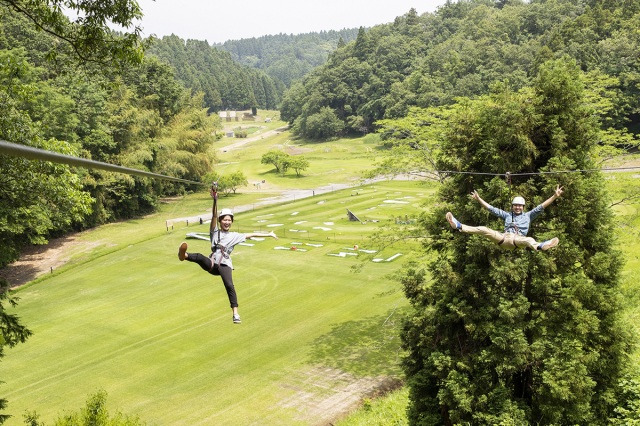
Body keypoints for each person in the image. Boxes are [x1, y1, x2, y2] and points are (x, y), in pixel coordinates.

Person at [178, 185, 278, 324]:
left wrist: (268, 234)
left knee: (229, 285)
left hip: (225, 263)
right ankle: (184, 255)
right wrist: (215, 199)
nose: (227, 222)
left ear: (231, 221)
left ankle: (235, 314)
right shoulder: (214, 232)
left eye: (229, 220)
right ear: (220, 221)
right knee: (200, 257)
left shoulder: (235, 236)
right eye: (224, 219)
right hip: (213, 262)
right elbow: (213, 215)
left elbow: (251, 234)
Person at [445, 185, 564, 251]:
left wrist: (554, 196)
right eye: (515, 206)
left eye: (520, 206)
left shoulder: (528, 216)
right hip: (503, 238)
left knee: (529, 240)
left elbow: (541, 206)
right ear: (512, 207)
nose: (517, 208)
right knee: (484, 229)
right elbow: (491, 208)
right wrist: (478, 199)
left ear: (523, 207)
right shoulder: (507, 215)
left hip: (517, 240)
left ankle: (541, 246)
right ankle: (458, 225)